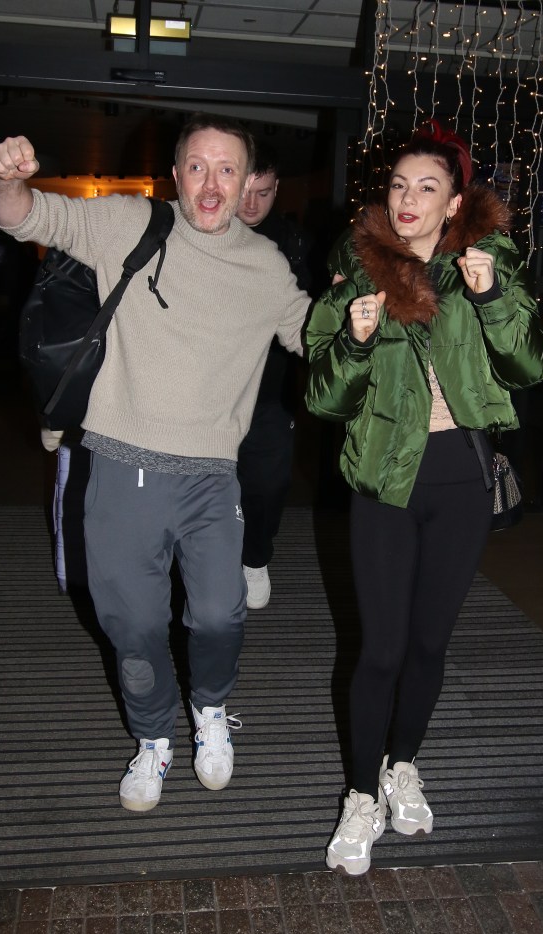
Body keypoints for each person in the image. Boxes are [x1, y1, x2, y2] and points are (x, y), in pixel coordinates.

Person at [0, 114, 310, 813]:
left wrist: (365, 314)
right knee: (131, 629)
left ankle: (210, 710)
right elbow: (23, 216)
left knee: (222, 614)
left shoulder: (263, 267)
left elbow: (311, 333)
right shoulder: (130, 224)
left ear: (249, 180)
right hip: (119, 469)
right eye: (198, 166)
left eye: (227, 169)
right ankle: (152, 738)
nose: (212, 183)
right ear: (176, 174)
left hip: (208, 477)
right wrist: (8, 180)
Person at [304, 120, 543, 875]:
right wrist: (349, 344)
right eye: (397, 185)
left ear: (453, 204)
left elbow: (530, 367)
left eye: (427, 188)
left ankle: (402, 763)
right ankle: (359, 794)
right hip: (383, 476)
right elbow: (320, 396)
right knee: (378, 648)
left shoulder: (485, 264)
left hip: (460, 482)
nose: (407, 199)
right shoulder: (353, 270)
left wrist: (490, 300)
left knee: (427, 643)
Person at [235, 141, 315, 609]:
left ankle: (255, 556)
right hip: (208, 396)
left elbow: (309, 322)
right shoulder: (202, 232)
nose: (250, 204)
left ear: (276, 189)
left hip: (269, 394)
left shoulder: (295, 243)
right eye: (244, 190)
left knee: (266, 485)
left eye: (262, 193)